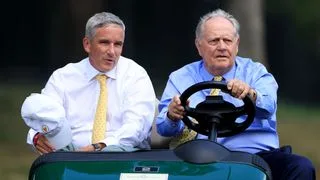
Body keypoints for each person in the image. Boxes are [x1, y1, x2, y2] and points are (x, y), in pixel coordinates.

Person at [156, 9, 315, 180]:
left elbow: (269, 106)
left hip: (255, 157)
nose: (222, 47)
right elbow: (163, 129)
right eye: (214, 41)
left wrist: (251, 94)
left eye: (227, 40)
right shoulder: (180, 77)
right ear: (199, 46)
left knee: (301, 166)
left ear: (236, 44)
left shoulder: (255, 72)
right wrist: (173, 116)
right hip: (197, 159)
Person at [25, 12, 156, 154]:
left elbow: (136, 128)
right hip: (71, 157)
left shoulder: (135, 75)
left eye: (118, 44)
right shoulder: (62, 77)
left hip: (120, 156)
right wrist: (37, 137)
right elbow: (43, 117)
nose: (112, 51)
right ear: (87, 44)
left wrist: (100, 146)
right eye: (104, 42)